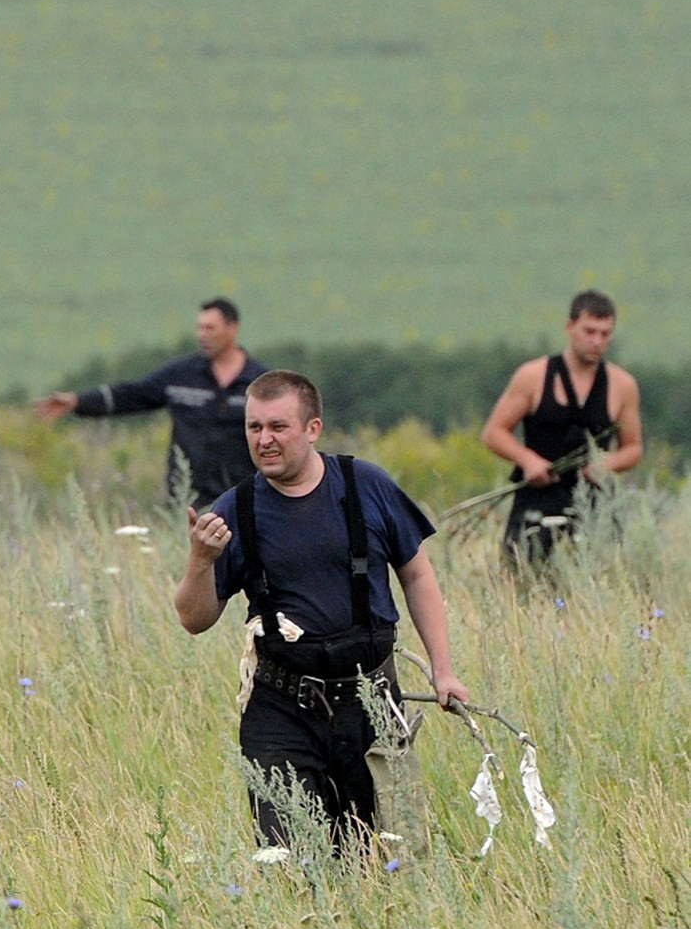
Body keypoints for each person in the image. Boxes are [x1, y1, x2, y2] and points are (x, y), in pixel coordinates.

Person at [175, 371, 467, 854]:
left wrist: (444, 672)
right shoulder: (235, 510)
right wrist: (200, 562)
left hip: (372, 703)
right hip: (281, 710)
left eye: (278, 427)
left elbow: (417, 575)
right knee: (292, 860)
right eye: (253, 428)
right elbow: (194, 619)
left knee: (384, 857)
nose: (264, 440)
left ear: (312, 429)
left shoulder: (365, 485)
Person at [35, 297, 267, 507]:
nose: (202, 335)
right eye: (199, 328)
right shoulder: (181, 376)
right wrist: (78, 401)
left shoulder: (259, 382)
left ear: (232, 329)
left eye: (210, 328)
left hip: (241, 498)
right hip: (187, 499)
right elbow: (134, 394)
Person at [482, 290, 643, 565]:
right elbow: (494, 432)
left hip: (595, 501)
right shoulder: (533, 376)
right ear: (570, 327)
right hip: (538, 496)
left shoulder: (622, 385)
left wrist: (609, 464)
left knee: (604, 578)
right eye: (589, 331)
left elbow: (634, 448)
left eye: (605, 334)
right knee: (523, 575)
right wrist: (528, 460)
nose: (597, 341)